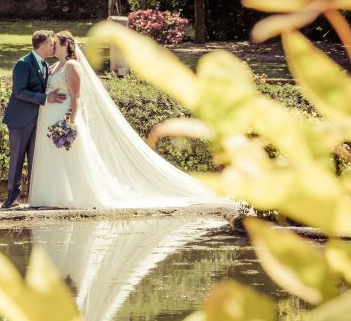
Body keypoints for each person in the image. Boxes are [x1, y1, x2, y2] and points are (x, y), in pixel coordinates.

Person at [28, 31, 230, 209]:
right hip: (50, 118)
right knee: (55, 158)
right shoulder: (55, 66)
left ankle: (76, 196)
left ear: (67, 44)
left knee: (72, 158)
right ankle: (55, 195)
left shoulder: (72, 65)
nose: (53, 46)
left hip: (64, 118)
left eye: (56, 43)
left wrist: (69, 122)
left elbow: (76, 96)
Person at [1, 30, 66, 209]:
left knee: (36, 159)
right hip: (20, 119)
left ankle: (35, 197)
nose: (54, 46)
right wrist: (45, 99)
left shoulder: (45, 65)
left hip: (38, 119)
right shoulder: (23, 64)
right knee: (17, 159)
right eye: (52, 44)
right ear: (44, 46)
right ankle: (12, 198)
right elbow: (19, 92)